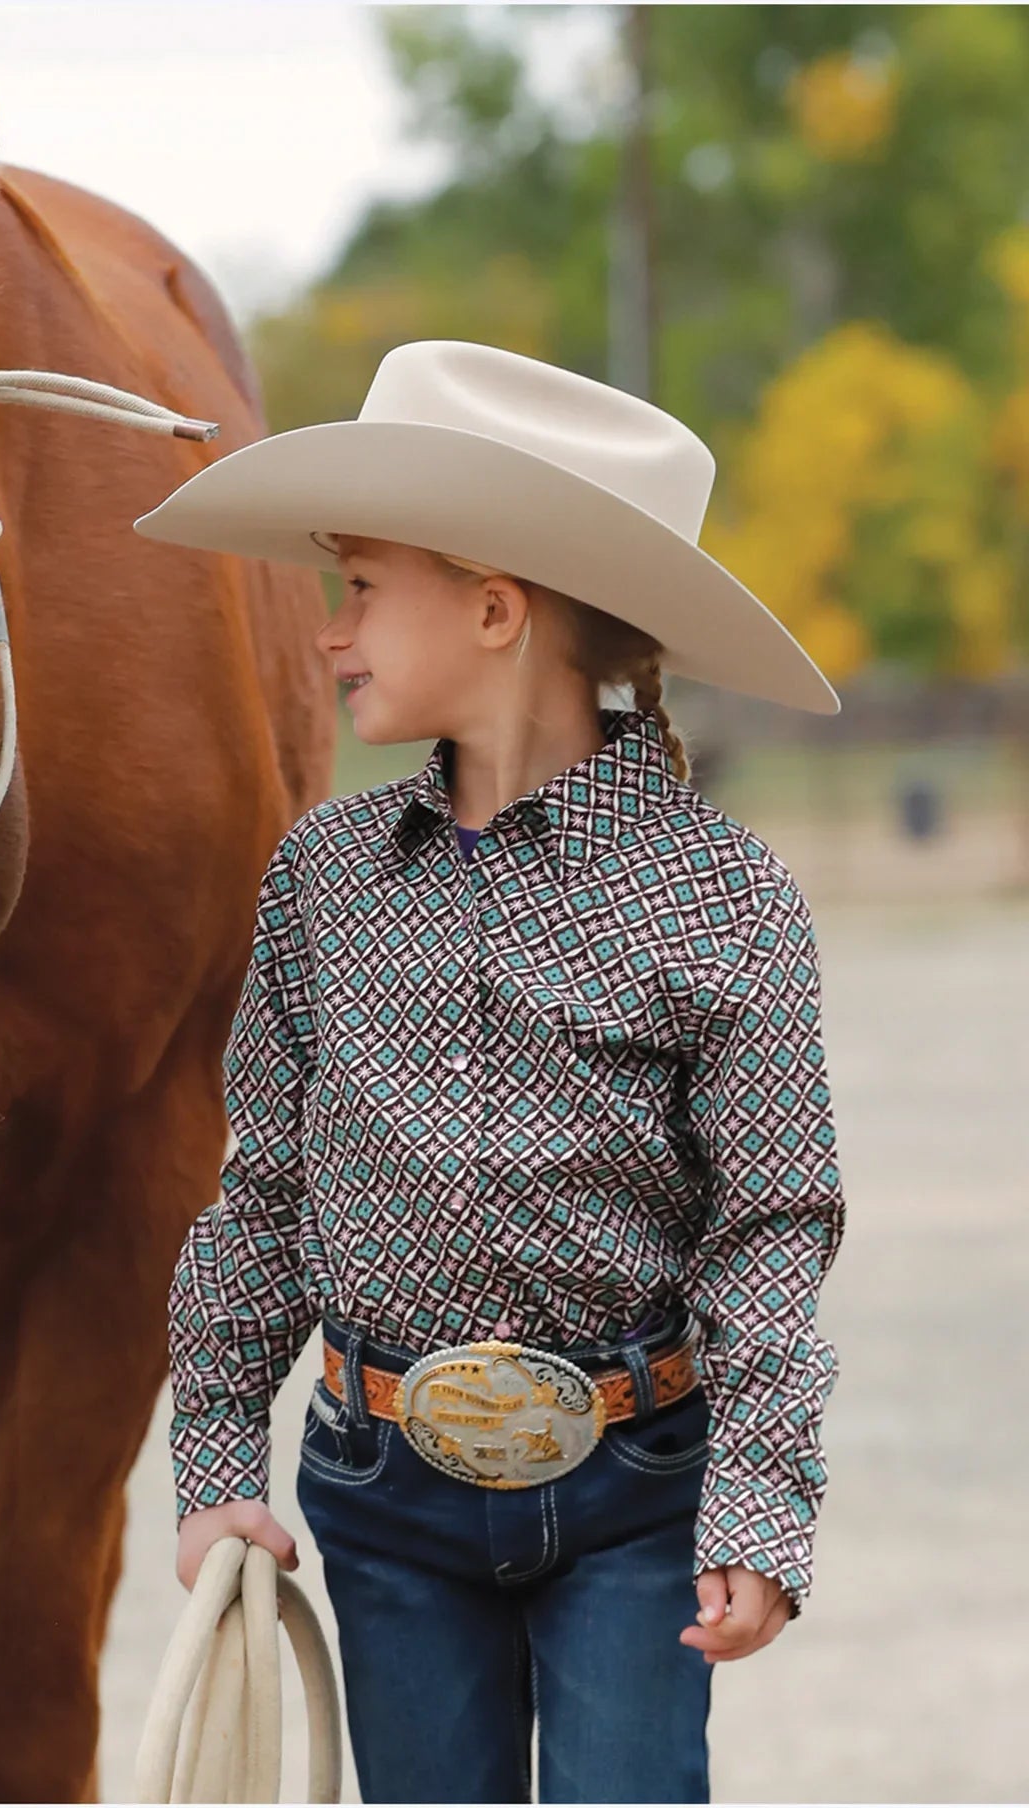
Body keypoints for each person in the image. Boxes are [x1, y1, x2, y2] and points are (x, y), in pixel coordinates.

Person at [133, 340, 848, 1805]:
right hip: (384, 1495)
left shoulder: (726, 896)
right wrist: (217, 1465)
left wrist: (760, 1498)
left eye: (362, 589)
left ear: (494, 606)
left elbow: (771, 1229)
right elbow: (262, 1194)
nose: (331, 634)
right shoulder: (324, 878)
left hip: (638, 1495)